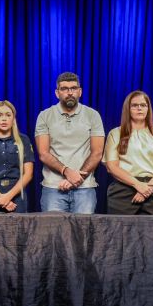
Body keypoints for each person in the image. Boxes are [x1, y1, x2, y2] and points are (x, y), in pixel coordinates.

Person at [35, 72, 105, 213]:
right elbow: (43, 153)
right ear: (57, 93)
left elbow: (97, 152)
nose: (70, 92)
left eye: (73, 88)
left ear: (80, 91)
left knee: (84, 234)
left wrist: (78, 178)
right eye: (64, 89)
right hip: (53, 187)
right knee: (52, 234)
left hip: (85, 187)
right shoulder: (45, 116)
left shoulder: (93, 115)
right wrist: (67, 171)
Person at [102, 91, 153, 215]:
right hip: (123, 190)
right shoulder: (115, 133)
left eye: (143, 105)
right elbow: (112, 167)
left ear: (148, 108)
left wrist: (147, 188)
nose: (139, 108)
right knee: (121, 233)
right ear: (128, 109)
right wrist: (137, 185)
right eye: (134, 105)